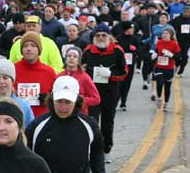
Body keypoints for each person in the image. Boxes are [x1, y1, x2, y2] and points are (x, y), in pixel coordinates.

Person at [82, 24, 127, 155]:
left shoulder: (117, 50)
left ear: (109, 36)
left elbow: (124, 72)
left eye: (103, 35)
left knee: (107, 121)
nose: (101, 38)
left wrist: (111, 75)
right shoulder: (89, 50)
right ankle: (94, 148)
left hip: (110, 91)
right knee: (92, 120)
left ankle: (106, 147)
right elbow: (81, 69)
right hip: (92, 92)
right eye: (98, 35)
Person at [13, 32, 58, 117]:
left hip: (41, 121)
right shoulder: (13, 70)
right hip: (18, 120)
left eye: (33, 45)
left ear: (39, 49)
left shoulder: (49, 72)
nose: (29, 49)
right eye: (25, 46)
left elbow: (57, 99)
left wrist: (48, 99)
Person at [58, 46, 100, 115]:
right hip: (62, 113)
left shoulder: (84, 77)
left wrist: (80, 100)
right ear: (65, 59)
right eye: (69, 56)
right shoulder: (59, 76)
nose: (71, 58)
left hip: (79, 114)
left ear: (78, 61)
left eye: (75, 57)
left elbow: (96, 99)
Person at [152, 27, 180, 110]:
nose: (164, 35)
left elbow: (178, 56)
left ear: (170, 35)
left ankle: (166, 103)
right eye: (163, 33)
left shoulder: (174, 43)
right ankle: (159, 98)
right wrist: (154, 54)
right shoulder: (159, 42)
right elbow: (157, 51)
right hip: (159, 67)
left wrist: (171, 55)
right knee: (160, 82)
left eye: (166, 33)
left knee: (167, 87)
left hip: (169, 68)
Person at [113, 22, 140, 111]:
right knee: (119, 83)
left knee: (127, 83)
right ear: (126, 29)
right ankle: (115, 102)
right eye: (130, 29)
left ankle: (123, 102)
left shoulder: (135, 39)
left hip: (130, 64)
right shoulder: (118, 38)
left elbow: (140, 49)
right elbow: (115, 49)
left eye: (133, 29)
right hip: (120, 64)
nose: (132, 30)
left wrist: (135, 49)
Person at [170, 5, 190, 75]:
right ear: (182, 12)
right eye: (185, 12)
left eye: (188, 12)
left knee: (185, 56)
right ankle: (177, 65)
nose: (186, 13)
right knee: (177, 56)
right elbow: (170, 26)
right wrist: (172, 34)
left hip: (188, 41)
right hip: (178, 41)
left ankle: (182, 68)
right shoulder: (177, 19)